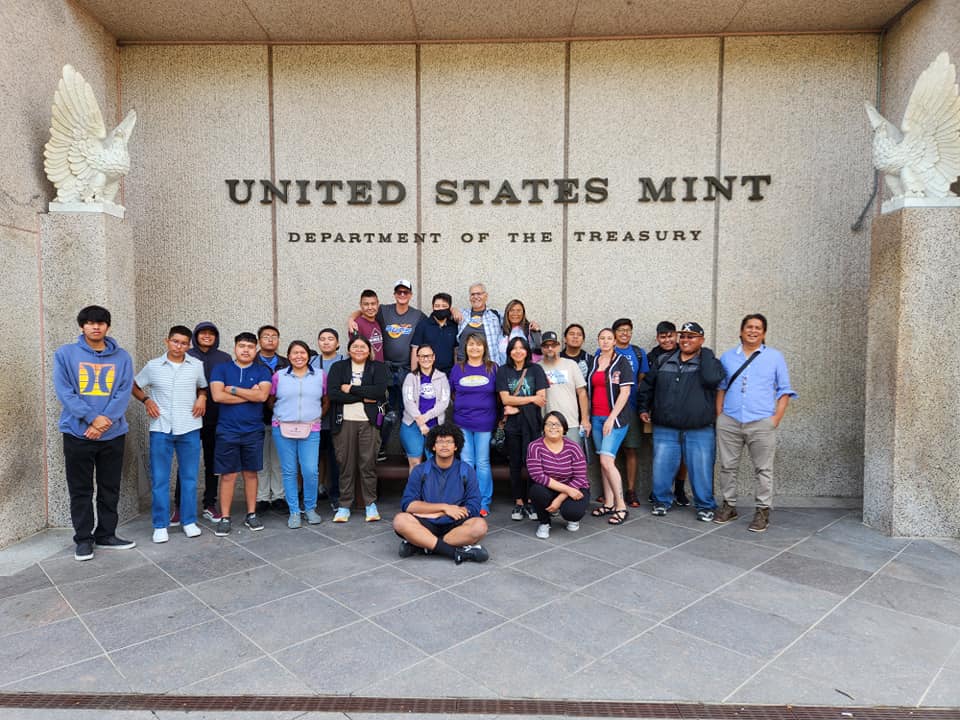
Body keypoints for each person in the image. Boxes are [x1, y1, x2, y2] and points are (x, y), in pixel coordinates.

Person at [54, 305, 136, 561]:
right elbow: (65, 391)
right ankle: (83, 539)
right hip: (77, 434)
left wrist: (103, 422)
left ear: (107, 326)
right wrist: (92, 418)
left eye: (100, 322)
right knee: (80, 489)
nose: (95, 326)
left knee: (109, 487)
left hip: (112, 434)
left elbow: (123, 393)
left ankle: (106, 534)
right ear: (82, 326)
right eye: (89, 322)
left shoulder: (122, 357)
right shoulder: (65, 354)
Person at [714, 314, 797, 532]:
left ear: (764, 333)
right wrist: (720, 415)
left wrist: (775, 419)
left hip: (761, 421)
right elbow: (721, 387)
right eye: (749, 327)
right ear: (741, 331)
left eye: (758, 328)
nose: (753, 331)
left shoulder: (775, 357)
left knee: (763, 469)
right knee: (727, 466)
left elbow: (784, 390)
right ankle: (729, 505)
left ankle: (762, 511)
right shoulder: (728, 357)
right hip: (730, 420)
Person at [637, 322, 724, 522]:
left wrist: (707, 353)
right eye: (683, 336)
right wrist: (643, 407)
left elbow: (712, 380)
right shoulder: (663, 360)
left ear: (701, 340)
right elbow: (647, 386)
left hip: (699, 428)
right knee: (662, 466)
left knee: (701, 468)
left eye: (691, 336)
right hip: (666, 426)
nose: (686, 340)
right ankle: (661, 501)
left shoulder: (709, 361)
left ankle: (705, 505)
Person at [132, 325, 208, 542]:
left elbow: (203, 386)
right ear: (167, 341)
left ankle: (189, 521)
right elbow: (134, 385)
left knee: (190, 478)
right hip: (161, 428)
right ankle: (160, 524)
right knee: (160, 479)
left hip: (190, 427)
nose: (179, 346)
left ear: (189, 345)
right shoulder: (153, 366)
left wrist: (202, 397)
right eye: (175, 341)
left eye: (184, 343)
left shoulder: (196, 365)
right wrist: (146, 400)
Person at [393, 422, 490, 564]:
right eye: (440, 442)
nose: (444, 445)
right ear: (433, 446)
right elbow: (408, 504)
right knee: (400, 521)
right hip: (427, 522)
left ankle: (422, 544)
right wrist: (444, 508)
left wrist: (443, 514)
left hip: (454, 524)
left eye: (449, 442)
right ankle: (454, 552)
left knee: (480, 526)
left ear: (456, 446)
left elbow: (474, 506)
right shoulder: (420, 470)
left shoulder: (466, 470)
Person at [349, 280, 425, 461]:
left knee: (410, 409)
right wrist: (351, 318)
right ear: (394, 294)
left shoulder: (418, 315)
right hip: (385, 369)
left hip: (406, 369)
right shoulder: (383, 310)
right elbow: (365, 310)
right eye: (399, 292)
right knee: (387, 411)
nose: (402, 295)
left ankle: (413, 450)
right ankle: (380, 446)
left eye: (405, 292)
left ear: (411, 295)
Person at [209, 332, 273, 535]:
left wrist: (234, 390)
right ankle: (225, 517)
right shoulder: (221, 369)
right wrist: (250, 395)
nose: (246, 350)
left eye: (250, 346)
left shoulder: (263, 371)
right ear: (235, 347)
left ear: (256, 350)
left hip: (253, 430)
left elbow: (263, 396)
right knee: (228, 475)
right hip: (227, 430)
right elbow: (218, 396)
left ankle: (251, 514)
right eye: (242, 346)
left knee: (251, 473)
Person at [327, 335, 389, 522]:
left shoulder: (377, 367)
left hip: (368, 422)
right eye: (355, 347)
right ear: (348, 350)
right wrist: (363, 395)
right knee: (345, 464)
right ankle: (345, 505)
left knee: (368, 464)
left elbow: (378, 392)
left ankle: (370, 504)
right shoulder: (339, 367)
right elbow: (334, 393)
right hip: (344, 421)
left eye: (363, 347)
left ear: (369, 350)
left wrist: (351, 388)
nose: (359, 349)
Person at [270, 340, 327, 529]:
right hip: (283, 428)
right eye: (294, 353)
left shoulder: (320, 375)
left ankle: (310, 508)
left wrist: (318, 416)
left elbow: (326, 399)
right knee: (289, 471)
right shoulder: (279, 376)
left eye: (302, 352)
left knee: (310, 470)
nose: (299, 356)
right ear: (288, 356)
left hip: (311, 428)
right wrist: (280, 415)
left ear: (308, 355)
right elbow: (270, 399)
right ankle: (294, 511)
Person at [179, 322, 231, 523]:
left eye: (211, 334)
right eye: (203, 333)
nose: (207, 336)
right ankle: (180, 506)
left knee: (213, 463)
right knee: (185, 464)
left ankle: (210, 503)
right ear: (195, 336)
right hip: (189, 417)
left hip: (216, 419)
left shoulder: (224, 358)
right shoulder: (187, 355)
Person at [496, 336, 548, 521]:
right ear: (509, 351)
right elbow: (505, 400)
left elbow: (541, 399)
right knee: (515, 463)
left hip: (533, 424)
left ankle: (532, 501)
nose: (518, 351)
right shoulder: (503, 371)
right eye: (514, 348)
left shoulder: (536, 370)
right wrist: (530, 399)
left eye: (522, 348)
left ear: (527, 351)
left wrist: (517, 407)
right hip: (512, 426)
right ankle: (519, 502)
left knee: (533, 463)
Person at [587, 328, 634, 526]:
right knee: (602, 460)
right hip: (596, 417)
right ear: (598, 341)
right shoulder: (594, 362)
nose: (605, 342)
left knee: (607, 460)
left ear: (615, 341)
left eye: (609, 338)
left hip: (614, 419)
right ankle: (608, 502)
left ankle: (621, 506)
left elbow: (625, 393)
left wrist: (611, 418)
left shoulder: (622, 362)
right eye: (602, 338)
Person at [448, 332, 499, 516]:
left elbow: (498, 394)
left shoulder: (492, 368)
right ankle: (469, 500)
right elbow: (452, 393)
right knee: (467, 462)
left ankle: (484, 502)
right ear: (465, 347)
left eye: (478, 345)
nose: (474, 348)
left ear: (484, 347)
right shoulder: (457, 369)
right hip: (462, 422)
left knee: (483, 462)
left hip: (485, 423)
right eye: (470, 344)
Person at [526, 411, 589, 539]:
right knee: (536, 490)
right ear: (543, 427)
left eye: (557, 424)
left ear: (564, 428)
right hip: (550, 487)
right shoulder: (534, 447)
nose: (553, 427)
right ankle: (544, 523)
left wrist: (559, 499)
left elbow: (580, 477)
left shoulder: (574, 447)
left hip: (574, 486)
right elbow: (538, 476)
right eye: (549, 424)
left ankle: (571, 518)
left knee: (573, 512)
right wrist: (566, 490)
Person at [647, 320, 689, 507]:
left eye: (670, 335)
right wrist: (644, 408)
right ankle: (659, 490)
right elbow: (646, 385)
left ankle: (679, 489)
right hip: (661, 412)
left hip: (686, 413)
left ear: (676, 336)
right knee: (661, 455)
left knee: (684, 456)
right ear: (657, 338)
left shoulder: (688, 352)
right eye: (663, 336)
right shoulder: (651, 357)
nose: (667, 340)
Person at [610, 318, 649, 508]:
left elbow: (641, 379)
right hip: (609, 409)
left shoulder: (638, 353)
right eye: (621, 330)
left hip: (631, 408)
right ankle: (610, 490)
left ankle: (631, 490)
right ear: (614, 333)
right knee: (610, 452)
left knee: (630, 449)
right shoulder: (606, 351)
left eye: (628, 330)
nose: (625, 333)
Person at [255, 325, 289, 513]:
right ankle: (261, 498)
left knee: (278, 460)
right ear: (259, 340)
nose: (270, 339)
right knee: (260, 462)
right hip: (257, 418)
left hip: (280, 419)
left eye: (274, 336)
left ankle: (278, 496)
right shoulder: (251, 361)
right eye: (266, 336)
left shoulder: (285, 363)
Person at [400, 344, 451, 469]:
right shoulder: (410, 377)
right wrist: (420, 423)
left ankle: (433, 489)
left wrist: (426, 418)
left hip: (435, 425)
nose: (425, 359)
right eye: (422, 356)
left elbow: (444, 402)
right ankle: (415, 489)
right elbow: (408, 401)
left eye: (428, 356)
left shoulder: (442, 377)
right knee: (415, 463)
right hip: (412, 425)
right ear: (417, 358)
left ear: (433, 358)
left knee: (435, 464)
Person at [310, 328, 343, 510]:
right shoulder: (312, 362)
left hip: (338, 416)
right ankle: (313, 493)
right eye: (322, 339)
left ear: (337, 343)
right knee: (314, 457)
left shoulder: (344, 361)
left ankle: (335, 495)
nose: (326, 342)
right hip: (315, 416)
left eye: (330, 339)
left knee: (334, 457)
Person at [538, 331, 589, 445]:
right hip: (548, 424)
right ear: (542, 348)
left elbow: (582, 392)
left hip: (571, 423)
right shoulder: (538, 367)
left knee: (574, 458)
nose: (550, 348)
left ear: (558, 346)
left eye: (553, 345)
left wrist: (585, 419)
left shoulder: (571, 365)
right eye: (546, 346)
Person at [456, 283, 504, 365]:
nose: (475, 297)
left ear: (486, 296)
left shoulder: (495, 315)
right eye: (472, 294)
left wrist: (532, 324)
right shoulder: (462, 314)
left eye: (479, 294)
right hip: (464, 365)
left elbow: (516, 318)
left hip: (489, 365)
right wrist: (453, 310)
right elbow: (443, 309)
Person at [410, 292, 458, 374]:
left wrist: (456, 373)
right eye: (437, 306)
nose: (440, 308)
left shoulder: (454, 326)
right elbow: (415, 350)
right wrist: (414, 374)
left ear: (449, 308)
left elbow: (456, 352)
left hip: (448, 374)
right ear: (433, 307)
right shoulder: (423, 325)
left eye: (444, 306)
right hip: (427, 373)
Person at [498, 298, 542, 362]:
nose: (515, 313)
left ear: (523, 313)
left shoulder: (529, 330)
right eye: (512, 310)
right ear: (507, 313)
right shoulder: (501, 330)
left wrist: (537, 332)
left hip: (524, 370)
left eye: (518, 310)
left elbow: (539, 352)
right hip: (504, 370)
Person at [351, 289, 385, 361]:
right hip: (366, 368)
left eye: (373, 304)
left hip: (380, 367)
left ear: (378, 304)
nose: (370, 308)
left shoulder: (378, 321)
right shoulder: (356, 324)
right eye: (366, 304)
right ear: (361, 305)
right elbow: (355, 351)